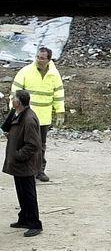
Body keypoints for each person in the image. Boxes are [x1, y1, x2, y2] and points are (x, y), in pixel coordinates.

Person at [10, 47, 64, 182]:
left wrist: (60, 111)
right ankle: (26, 170)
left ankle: (39, 171)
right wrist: (14, 110)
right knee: (26, 143)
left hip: (44, 116)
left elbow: (58, 94)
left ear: (49, 59)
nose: (39, 60)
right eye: (38, 57)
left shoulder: (54, 74)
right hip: (27, 116)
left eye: (42, 58)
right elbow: (15, 91)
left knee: (40, 145)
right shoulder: (26, 71)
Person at [2, 90, 44, 237]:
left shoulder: (29, 119)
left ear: (18, 102)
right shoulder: (18, 113)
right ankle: (24, 218)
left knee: (29, 194)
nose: (11, 99)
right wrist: (13, 111)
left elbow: (34, 145)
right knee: (21, 193)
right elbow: (5, 127)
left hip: (25, 163)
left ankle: (35, 224)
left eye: (13, 98)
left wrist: (18, 156)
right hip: (19, 164)